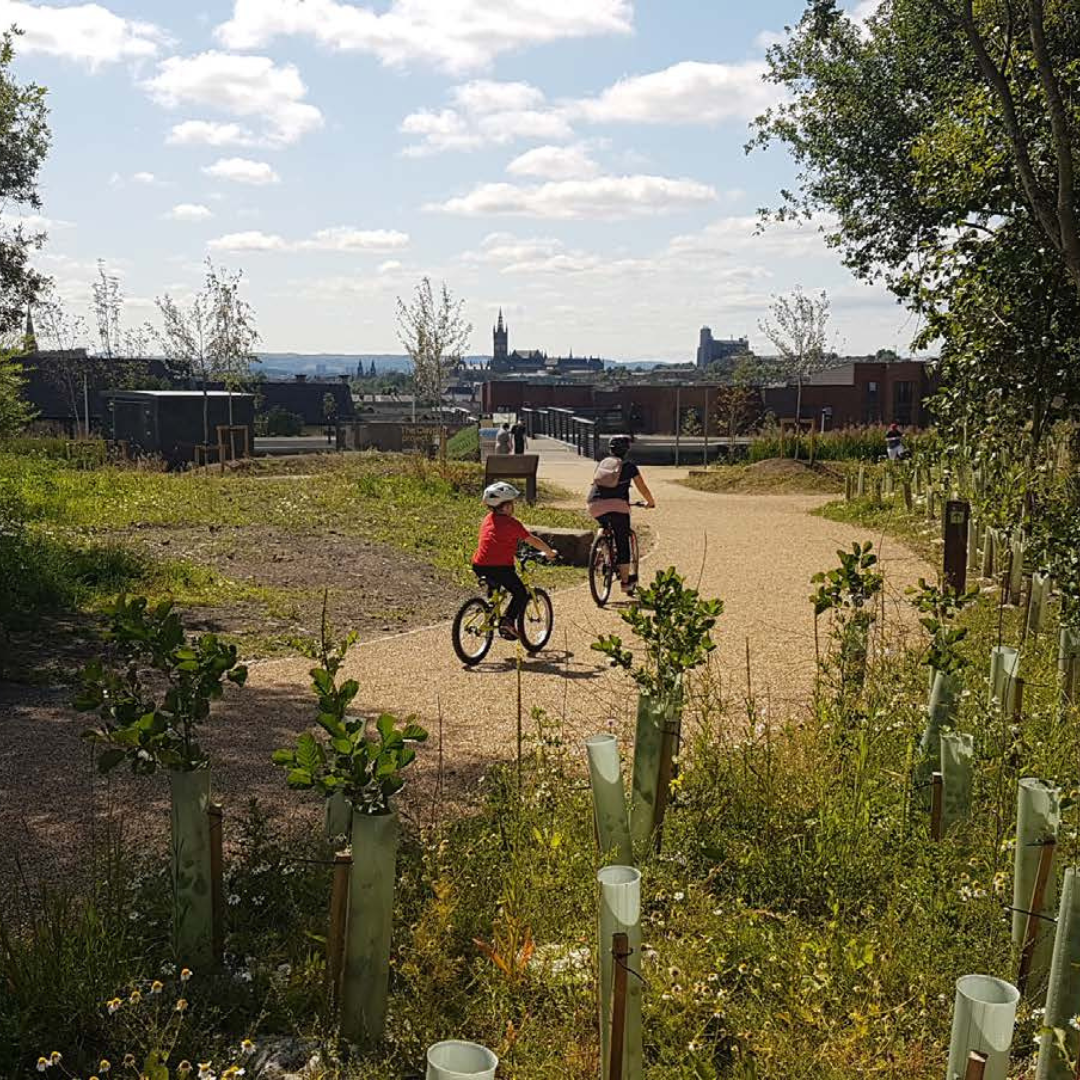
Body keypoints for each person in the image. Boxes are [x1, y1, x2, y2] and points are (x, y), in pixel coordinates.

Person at [472, 482, 557, 640]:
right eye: (512, 504)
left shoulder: (487, 520)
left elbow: (495, 541)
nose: (513, 507)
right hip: (501, 568)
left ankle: (491, 606)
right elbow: (533, 540)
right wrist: (549, 552)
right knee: (520, 593)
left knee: (496, 584)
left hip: (479, 564)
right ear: (504, 507)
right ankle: (508, 621)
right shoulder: (512, 524)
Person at [587, 434, 655, 595]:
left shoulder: (603, 463)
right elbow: (642, 487)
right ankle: (625, 583)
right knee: (622, 541)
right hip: (618, 506)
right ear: (627, 450)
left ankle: (602, 547)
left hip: (594, 504)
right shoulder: (629, 466)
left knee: (603, 524)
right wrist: (650, 502)